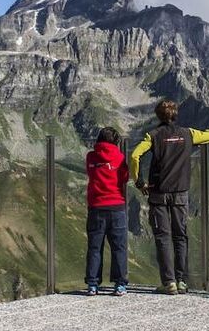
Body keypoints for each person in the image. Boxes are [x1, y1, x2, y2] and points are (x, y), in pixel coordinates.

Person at [130, 99, 209, 295]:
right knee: (181, 236)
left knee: (162, 237)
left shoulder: (152, 135)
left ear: (158, 116)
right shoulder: (188, 134)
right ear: (175, 115)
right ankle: (182, 281)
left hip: (158, 192)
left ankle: (168, 282)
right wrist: (196, 134)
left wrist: (139, 181)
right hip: (180, 192)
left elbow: (135, 156)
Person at [85, 126, 129, 296]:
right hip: (117, 206)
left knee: (95, 247)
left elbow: (90, 172)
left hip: (96, 207)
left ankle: (92, 284)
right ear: (116, 142)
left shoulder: (91, 156)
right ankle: (119, 285)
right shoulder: (119, 157)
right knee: (119, 247)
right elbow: (124, 177)